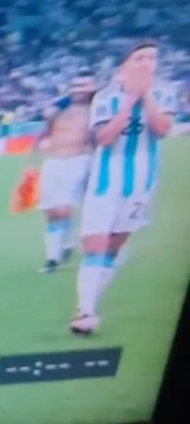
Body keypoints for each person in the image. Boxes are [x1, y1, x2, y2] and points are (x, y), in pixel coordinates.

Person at [73, 43, 176, 335]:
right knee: (95, 244)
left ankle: (87, 303)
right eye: (139, 58)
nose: (146, 63)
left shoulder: (165, 92)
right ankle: (86, 312)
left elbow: (163, 129)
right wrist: (130, 100)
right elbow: (105, 138)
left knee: (113, 248)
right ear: (125, 65)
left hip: (142, 183)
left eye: (152, 57)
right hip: (105, 182)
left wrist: (146, 96)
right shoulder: (106, 97)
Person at [26, 73, 98, 273]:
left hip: (79, 161)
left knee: (64, 209)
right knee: (50, 211)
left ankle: (53, 258)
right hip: (53, 162)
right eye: (75, 85)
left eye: (83, 85)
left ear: (93, 87)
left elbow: (97, 138)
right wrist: (32, 159)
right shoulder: (59, 109)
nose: (79, 89)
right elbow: (45, 131)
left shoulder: (97, 109)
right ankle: (61, 248)